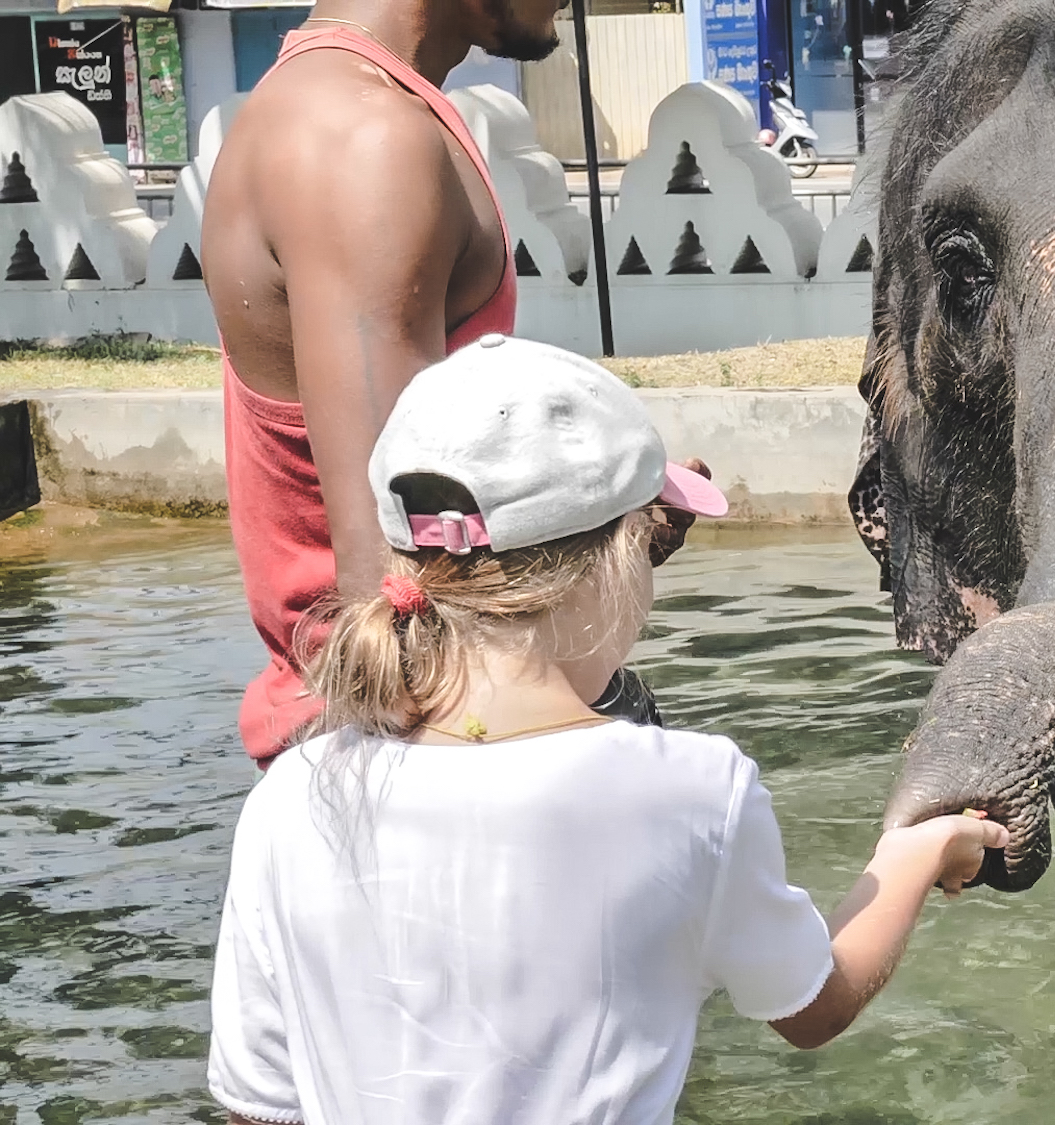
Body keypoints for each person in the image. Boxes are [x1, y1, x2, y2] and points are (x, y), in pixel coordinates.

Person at [206, 337, 1007, 1124]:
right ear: (623, 556)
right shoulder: (693, 791)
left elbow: (260, 1106)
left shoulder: (294, 794)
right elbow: (812, 1004)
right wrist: (913, 855)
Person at [202, 0, 696, 762]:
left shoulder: (356, 108)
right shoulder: (363, 141)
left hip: (408, 730)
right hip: (411, 744)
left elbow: (445, 521)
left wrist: (595, 523)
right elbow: (399, 571)